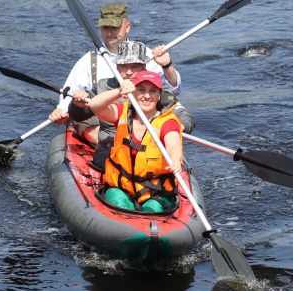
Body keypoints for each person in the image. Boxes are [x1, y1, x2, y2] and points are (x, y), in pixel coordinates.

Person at [49, 2, 182, 142]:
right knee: (82, 121)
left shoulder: (148, 56)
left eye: (114, 27)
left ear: (127, 27)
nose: (109, 33)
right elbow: (70, 93)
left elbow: (173, 89)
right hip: (104, 121)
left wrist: (167, 66)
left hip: (142, 121)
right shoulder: (89, 61)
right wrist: (62, 110)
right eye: (105, 28)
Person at [66, 40, 194, 171]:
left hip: (149, 156)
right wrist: (77, 105)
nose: (128, 72)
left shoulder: (155, 92)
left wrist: (175, 129)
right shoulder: (103, 86)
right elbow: (79, 115)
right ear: (116, 67)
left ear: (144, 67)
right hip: (110, 154)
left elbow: (184, 116)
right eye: (123, 66)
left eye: (134, 66)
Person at [88, 70, 183, 213]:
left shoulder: (167, 122)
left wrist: (175, 159)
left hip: (156, 192)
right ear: (133, 93)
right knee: (117, 200)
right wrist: (119, 91)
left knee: (153, 209)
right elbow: (95, 106)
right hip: (122, 188)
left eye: (152, 91)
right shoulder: (122, 113)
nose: (147, 96)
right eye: (141, 90)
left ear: (159, 96)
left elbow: (173, 143)